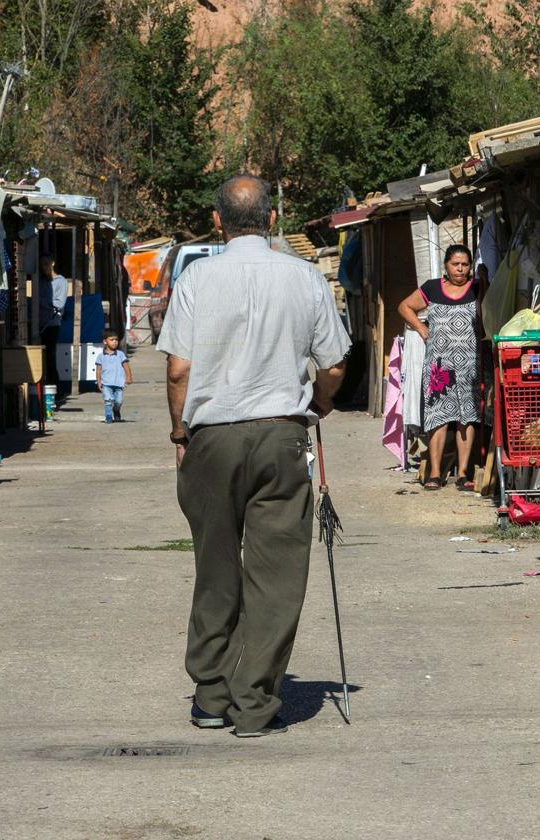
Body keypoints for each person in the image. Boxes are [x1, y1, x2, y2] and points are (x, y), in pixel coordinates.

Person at [157, 174, 351, 738]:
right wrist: (320, 402)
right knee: (277, 575)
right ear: (272, 221)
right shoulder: (304, 278)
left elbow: (178, 369)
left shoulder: (197, 279)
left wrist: (179, 433)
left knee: (215, 567)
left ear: (217, 221)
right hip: (280, 437)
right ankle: (255, 703)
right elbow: (335, 364)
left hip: (210, 439)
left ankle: (211, 696)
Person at [396, 243, 483, 491]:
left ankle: (463, 474)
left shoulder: (477, 289)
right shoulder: (432, 288)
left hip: (470, 366)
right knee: (438, 418)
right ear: (446, 265)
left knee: (467, 418)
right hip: (439, 367)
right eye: (455, 264)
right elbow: (405, 306)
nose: (460, 269)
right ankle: (434, 474)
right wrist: (421, 328)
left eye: (465, 265)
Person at [38, 256, 69, 386]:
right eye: (42, 264)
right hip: (39, 324)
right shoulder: (42, 281)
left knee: (50, 357)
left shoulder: (60, 281)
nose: (44, 267)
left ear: (53, 263)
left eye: (46, 263)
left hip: (52, 324)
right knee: (41, 358)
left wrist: (41, 302)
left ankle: (55, 388)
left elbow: (59, 303)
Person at [95, 329, 132, 423]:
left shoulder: (120, 354)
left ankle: (116, 411)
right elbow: (98, 370)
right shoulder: (100, 356)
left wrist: (129, 377)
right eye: (112, 340)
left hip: (119, 383)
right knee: (108, 400)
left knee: (119, 401)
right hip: (106, 383)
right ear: (105, 341)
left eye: (116, 340)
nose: (115, 342)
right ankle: (108, 416)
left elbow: (126, 366)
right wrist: (99, 382)